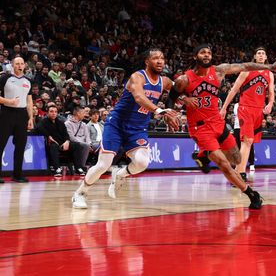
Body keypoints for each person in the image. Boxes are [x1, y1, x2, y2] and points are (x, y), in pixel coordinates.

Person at [174, 44, 276, 210]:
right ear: (195, 57)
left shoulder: (219, 71)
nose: (206, 55)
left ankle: (203, 155)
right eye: (202, 52)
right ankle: (251, 194)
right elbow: (171, 95)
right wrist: (184, 100)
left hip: (218, 122)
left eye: (209, 53)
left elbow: (246, 67)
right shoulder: (185, 79)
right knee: (227, 162)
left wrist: (269, 68)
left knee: (236, 158)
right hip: (202, 127)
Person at [72, 48, 180, 209]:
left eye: (162, 58)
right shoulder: (137, 77)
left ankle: (120, 174)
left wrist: (183, 103)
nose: (160, 61)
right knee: (103, 164)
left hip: (137, 127)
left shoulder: (164, 81)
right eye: (155, 58)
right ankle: (80, 193)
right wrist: (159, 110)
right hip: (117, 124)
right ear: (147, 62)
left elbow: (178, 91)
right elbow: (139, 97)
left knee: (142, 162)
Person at [221, 46, 275, 183]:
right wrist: (224, 107)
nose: (261, 55)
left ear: (266, 57)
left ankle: (238, 171)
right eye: (259, 53)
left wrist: (270, 104)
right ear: (255, 57)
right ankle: (239, 173)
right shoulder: (246, 71)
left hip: (258, 110)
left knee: (249, 143)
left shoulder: (269, 74)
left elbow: (272, 93)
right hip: (245, 108)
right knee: (247, 141)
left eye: (263, 53)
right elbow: (233, 90)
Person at [0, 56, 34, 182]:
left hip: (22, 115)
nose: (19, 66)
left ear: (24, 65)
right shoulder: (5, 78)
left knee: (20, 145)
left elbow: (29, 101)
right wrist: (9, 101)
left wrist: (30, 118)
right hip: (6, 113)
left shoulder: (28, 81)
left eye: (21, 63)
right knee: (1, 144)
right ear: (12, 65)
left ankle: (17, 174)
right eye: (17, 63)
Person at [37, 104, 71, 176]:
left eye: (55, 112)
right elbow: (39, 128)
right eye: (51, 111)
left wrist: (67, 141)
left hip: (62, 143)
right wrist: (48, 136)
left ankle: (79, 168)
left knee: (78, 146)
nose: (54, 113)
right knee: (53, 146)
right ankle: (57, 169)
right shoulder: (43, 122)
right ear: (47, 113)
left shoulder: (60, 122)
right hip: (51, 144)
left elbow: (66, 134)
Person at [64, 103, 91, 175]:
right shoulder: (67, 123)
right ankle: (81, 166)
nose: (84, 115)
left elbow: (87, 136)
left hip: (84, 143)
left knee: (87, 145)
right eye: (83, 113)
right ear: (78, 114)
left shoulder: (84, 124)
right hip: (75, 143)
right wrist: (84, 144)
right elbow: (71, 137)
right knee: (84, 146)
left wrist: (89, 143)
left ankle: (82, 166)